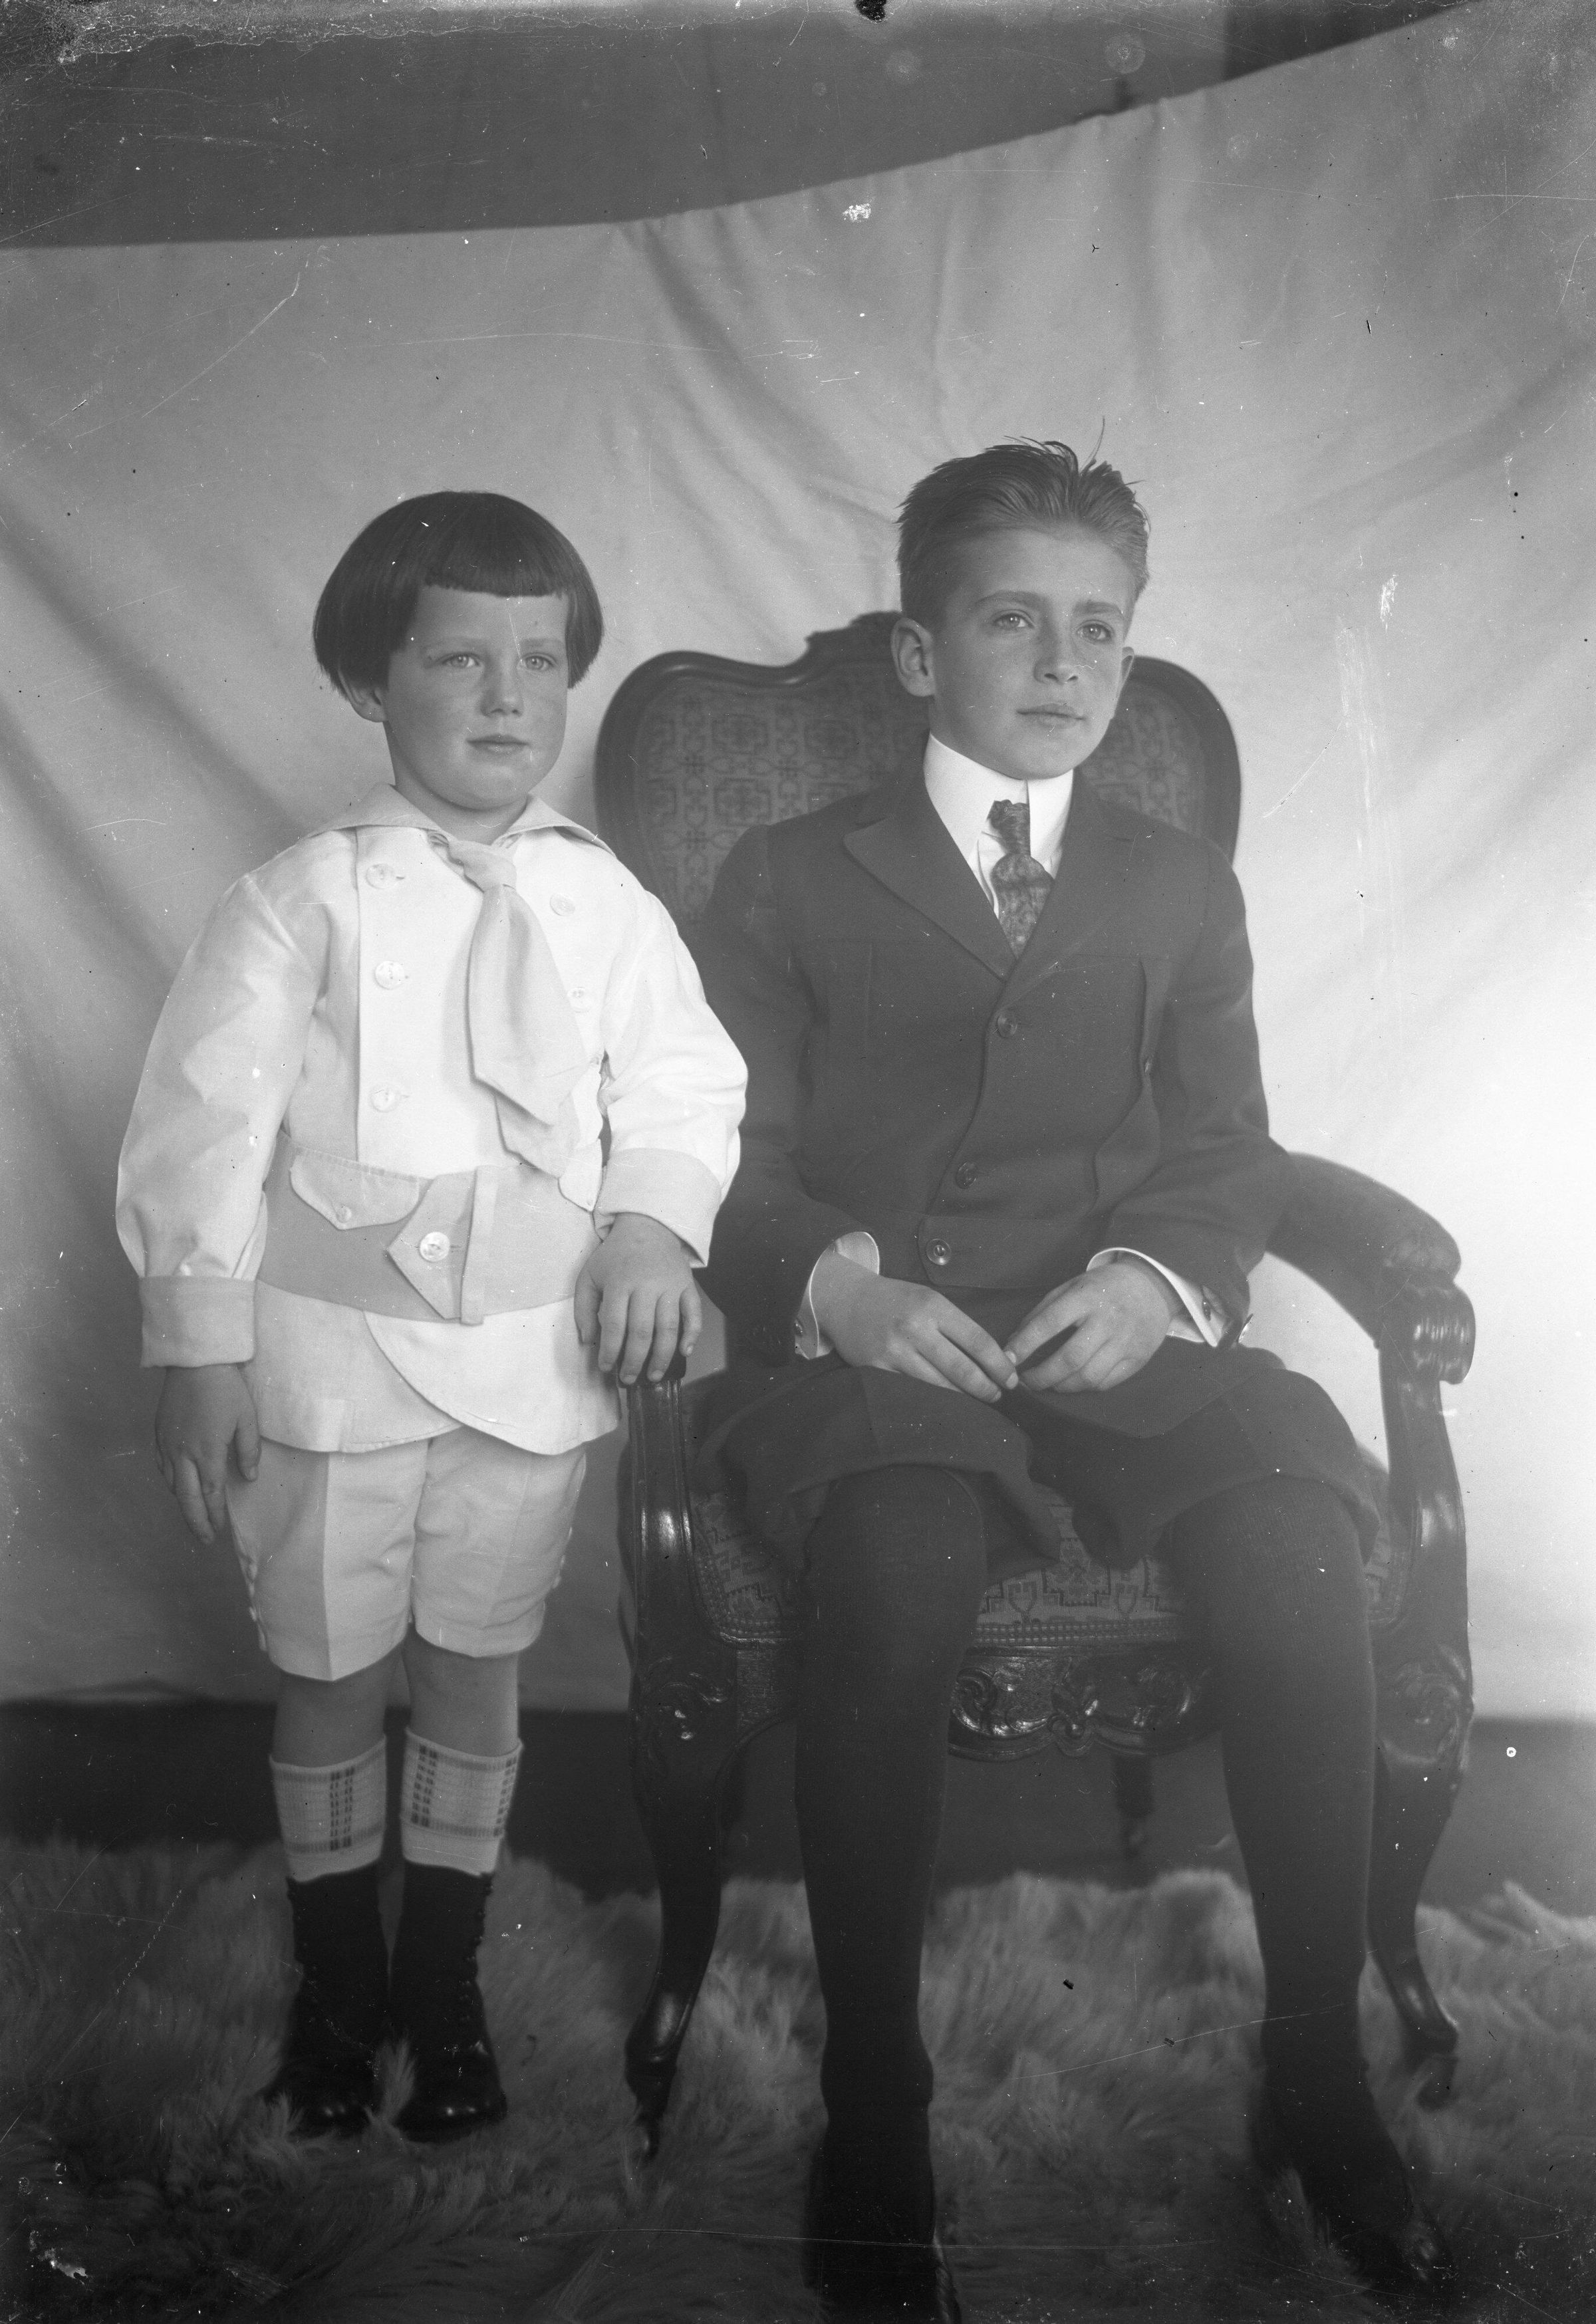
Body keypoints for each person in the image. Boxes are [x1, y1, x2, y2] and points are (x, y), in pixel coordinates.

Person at [693, 442, 1451, 2318]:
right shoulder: (787, 873)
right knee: (894, 1571)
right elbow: (718, 1149)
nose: (1061, 663)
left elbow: (1229, 1146)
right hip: (885, 1346)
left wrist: (1156, 1275)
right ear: (918, 651)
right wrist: (840, 1285)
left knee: (1297, 1547)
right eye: (1012, 621)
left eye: (1098, 628)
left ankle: (1317, 2073)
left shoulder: (1176, 881)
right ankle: (879, 2109)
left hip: (1114, 1340)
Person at [117, 491, 745, 2144]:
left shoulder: (609, 905)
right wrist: (198, 1340)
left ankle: (443, 1980)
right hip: (328, 1371)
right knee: (331, 1674)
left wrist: (648, 1223)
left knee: (476, 1667)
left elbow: (683, 1083)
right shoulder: (300, 897)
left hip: (527, 1365)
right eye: (461, 659)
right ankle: (338, 1991)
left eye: (541, 661)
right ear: (366, 681)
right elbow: (204, 1122)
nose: (508, 696)